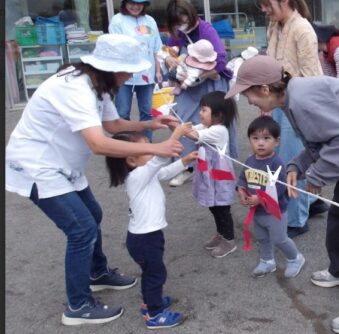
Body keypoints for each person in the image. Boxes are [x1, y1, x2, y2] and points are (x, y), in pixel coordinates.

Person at [5, 33, 183, 326]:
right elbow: (98, 143)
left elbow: (112, 124)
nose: (128, 77)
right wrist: (156, 148)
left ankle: (97, 272)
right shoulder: (75, 88)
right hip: (37, 165)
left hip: (63, 165)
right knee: (81, 230)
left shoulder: (98, 85)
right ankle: (78, 306)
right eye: (126, 71)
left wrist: (149, 124)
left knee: (93, 214)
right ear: (110, 69)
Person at [226, 55, 339, 334]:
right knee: (338, 217)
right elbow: (320, 140)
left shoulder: (302, 100)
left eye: (248, 93)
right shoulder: (292, 98)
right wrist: (297, 165)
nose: (248, 101)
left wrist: (316, 176)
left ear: (264, 89)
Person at [105, 123, 197, 329]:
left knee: (151, 272)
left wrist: (184, 161)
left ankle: (149, 302)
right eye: (147, 148)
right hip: (145, 239)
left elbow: (164, 172)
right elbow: (161, 159)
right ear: (131, 160)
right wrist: (176, 134)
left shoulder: (144, 173)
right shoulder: (137, 176)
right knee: (156, 274)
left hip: (145, 237)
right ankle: (155, 315)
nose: (154, 149)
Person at [255, 0, 326, 238]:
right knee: (283, 155)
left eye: (267, 4)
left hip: (297, 102)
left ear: (284, 0)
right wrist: (265, 99)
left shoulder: (302, 29)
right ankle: (312, 202)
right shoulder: (275, 24)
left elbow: (311, 77)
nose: (264, 9)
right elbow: (271, 63)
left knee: (291, 160)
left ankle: (296, 219)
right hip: (278, 99)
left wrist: (303, 111)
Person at [164, 0, 237, 187]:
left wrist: (200, 76)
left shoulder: (205, 29)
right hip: (186, 85)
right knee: (181, 118)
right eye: (177, 22)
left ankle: (221, 164)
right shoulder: (176, 32)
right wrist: (168, 60)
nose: (182, 24)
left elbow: (221, 61)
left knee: (216, 121)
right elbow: (169, 51)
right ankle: (186, 166)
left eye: (184, 19)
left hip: (210, 81)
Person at [236, 116, 305, 278]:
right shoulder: (249, 160)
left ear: (277, 141)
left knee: (280, 239)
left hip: (275, 212)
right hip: (257, 211)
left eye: (266, 138)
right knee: (262, 237)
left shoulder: (277, 163)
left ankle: (295, 258)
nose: (260, 143)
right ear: (249, 140)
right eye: (255, 138)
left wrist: (260, 199)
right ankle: (267, 261)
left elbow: (280, 188)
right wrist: (241, 191)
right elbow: (242, 178)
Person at [178, 91, 239, 258]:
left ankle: (229, 240)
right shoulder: (207, 126)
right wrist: (175, 125)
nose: (200, 113)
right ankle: (221, 234)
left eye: (204, 110)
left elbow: (192, 135)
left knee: (222, 208)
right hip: (210, 174)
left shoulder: (219, 130)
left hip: (219, 176)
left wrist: (179, 129)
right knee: (213, 206)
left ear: (219, 115)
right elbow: (190, 130)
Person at [109, 0, 163, 141]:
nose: (135, 6)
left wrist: (158, 72)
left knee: (146, 112)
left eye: (139, 3)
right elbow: (117, 47)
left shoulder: (150, 20)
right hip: (123, 75)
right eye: (131, 3)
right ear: (124, 3)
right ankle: (124, 146)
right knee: (123, 112)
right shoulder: (117, 20)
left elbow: (156, 48)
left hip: (147, 74)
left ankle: (146, 145)